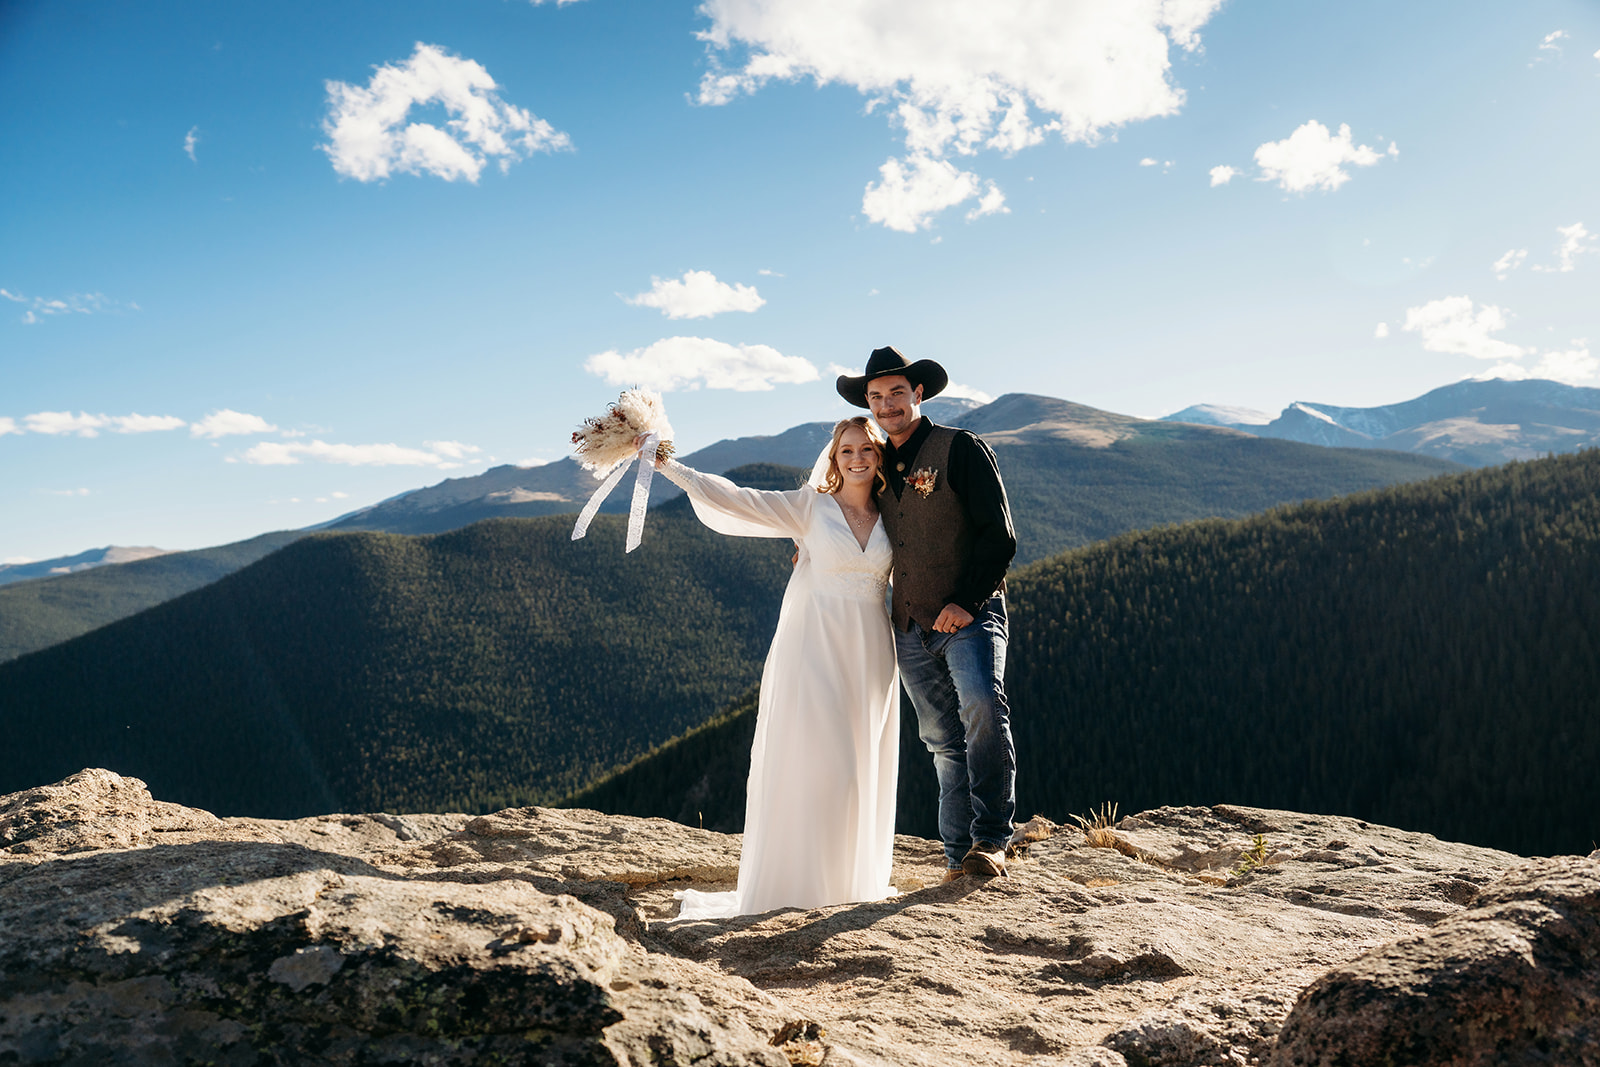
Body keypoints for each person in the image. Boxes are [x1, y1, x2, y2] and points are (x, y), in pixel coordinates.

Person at [655, 416, 900, 918]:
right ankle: (797, 885)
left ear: (880, 456)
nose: (856, 458)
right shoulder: (811, 507)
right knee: (818, 763)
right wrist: (669, 467)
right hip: (813, 647)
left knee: (858, 767)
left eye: (865, 450)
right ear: (833, 460)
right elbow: (738, 500)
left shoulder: (896, 515)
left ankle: (850, 881)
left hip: (873, 652)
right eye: (845, 451)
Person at [837, 346, 1019, 882]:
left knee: (983, 707)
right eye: (876, 397)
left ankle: (992, 840)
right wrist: (812, 544)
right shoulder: (874, 461)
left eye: (897, 393)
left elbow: (999, 535)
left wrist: (966, 601)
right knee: (941, 740)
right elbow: (845, 508)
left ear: (918, 394)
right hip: (909, 626)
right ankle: (957, 855)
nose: (887, 404)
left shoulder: (961, 448)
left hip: (970, 614)